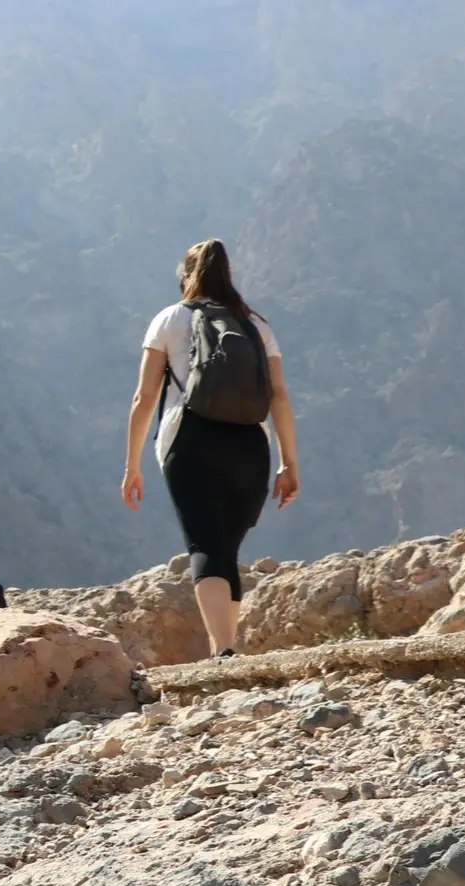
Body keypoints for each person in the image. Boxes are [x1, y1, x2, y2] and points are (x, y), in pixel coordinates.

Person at [122, 238, 299, 658]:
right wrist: (289, 463)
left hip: (190, 438)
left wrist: (132, 464)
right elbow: (279, 397)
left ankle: (223, 651)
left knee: (206, 545)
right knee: (226, 549)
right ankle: (227, 646)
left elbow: (144, 398)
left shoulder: (169, 319)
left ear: (186, 277)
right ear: (228, 276)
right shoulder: (256, 325)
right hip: (251, 443)